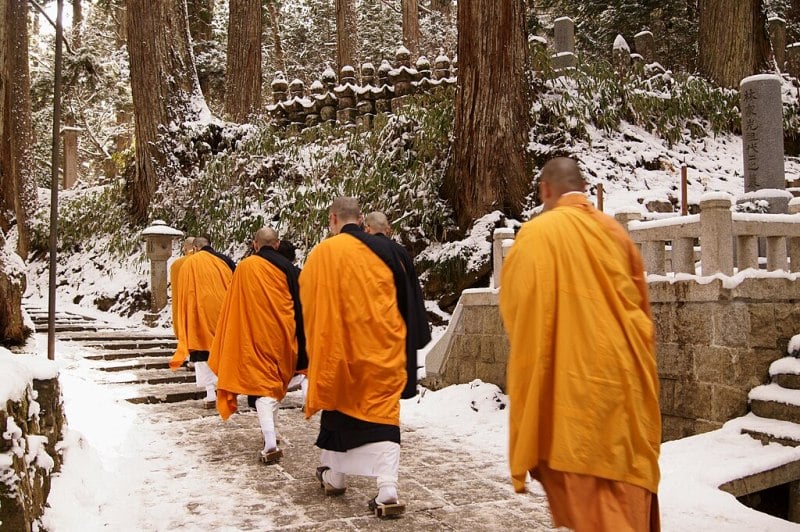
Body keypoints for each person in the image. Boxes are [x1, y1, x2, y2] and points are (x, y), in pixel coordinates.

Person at [499, 157, 661, 532]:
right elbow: (641, 311)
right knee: (624, 489)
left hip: (572, 391)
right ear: (584, 190)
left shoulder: (536, 235)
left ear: (545, 191)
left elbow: (519, 311)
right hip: (623, 383)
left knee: (588, 498)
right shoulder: (614, 232)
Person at [300, 197, 430, 518]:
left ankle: (335, 476)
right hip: (381, 351)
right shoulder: (388, 251)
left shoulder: (321, 254)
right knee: (382, 415)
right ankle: (386, 489)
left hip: (338, 353)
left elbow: (306, 306)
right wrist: (412, 342)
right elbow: (410, 300)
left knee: (337, 410)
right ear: (360, 220)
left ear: (332, 219)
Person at [208, 227, 307, 464]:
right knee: (272, 386)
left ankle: (270, 441)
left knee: (264, 389)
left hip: (253, 336)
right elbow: (301, 304)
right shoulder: (290, 269)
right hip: (283, 336)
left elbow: (233, 306)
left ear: (255, 245)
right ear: (277, 243)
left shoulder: (245, 267)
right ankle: (270, 435)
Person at [171, 235, 235, 408]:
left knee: (201, 352)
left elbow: (183, 293)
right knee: (223, 350)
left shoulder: (188, 264)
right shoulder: (225, 260)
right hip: (223, 313)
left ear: (196, 248)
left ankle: (210, 394)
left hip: (199, 313)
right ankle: (226, 391)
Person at [168, 236, 194, 371]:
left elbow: (176, 289)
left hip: (183, 304)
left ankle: (189, 357)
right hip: (201, 304)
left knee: (186, 330)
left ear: (185, 248)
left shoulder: (177, 264)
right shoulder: (209, 262)